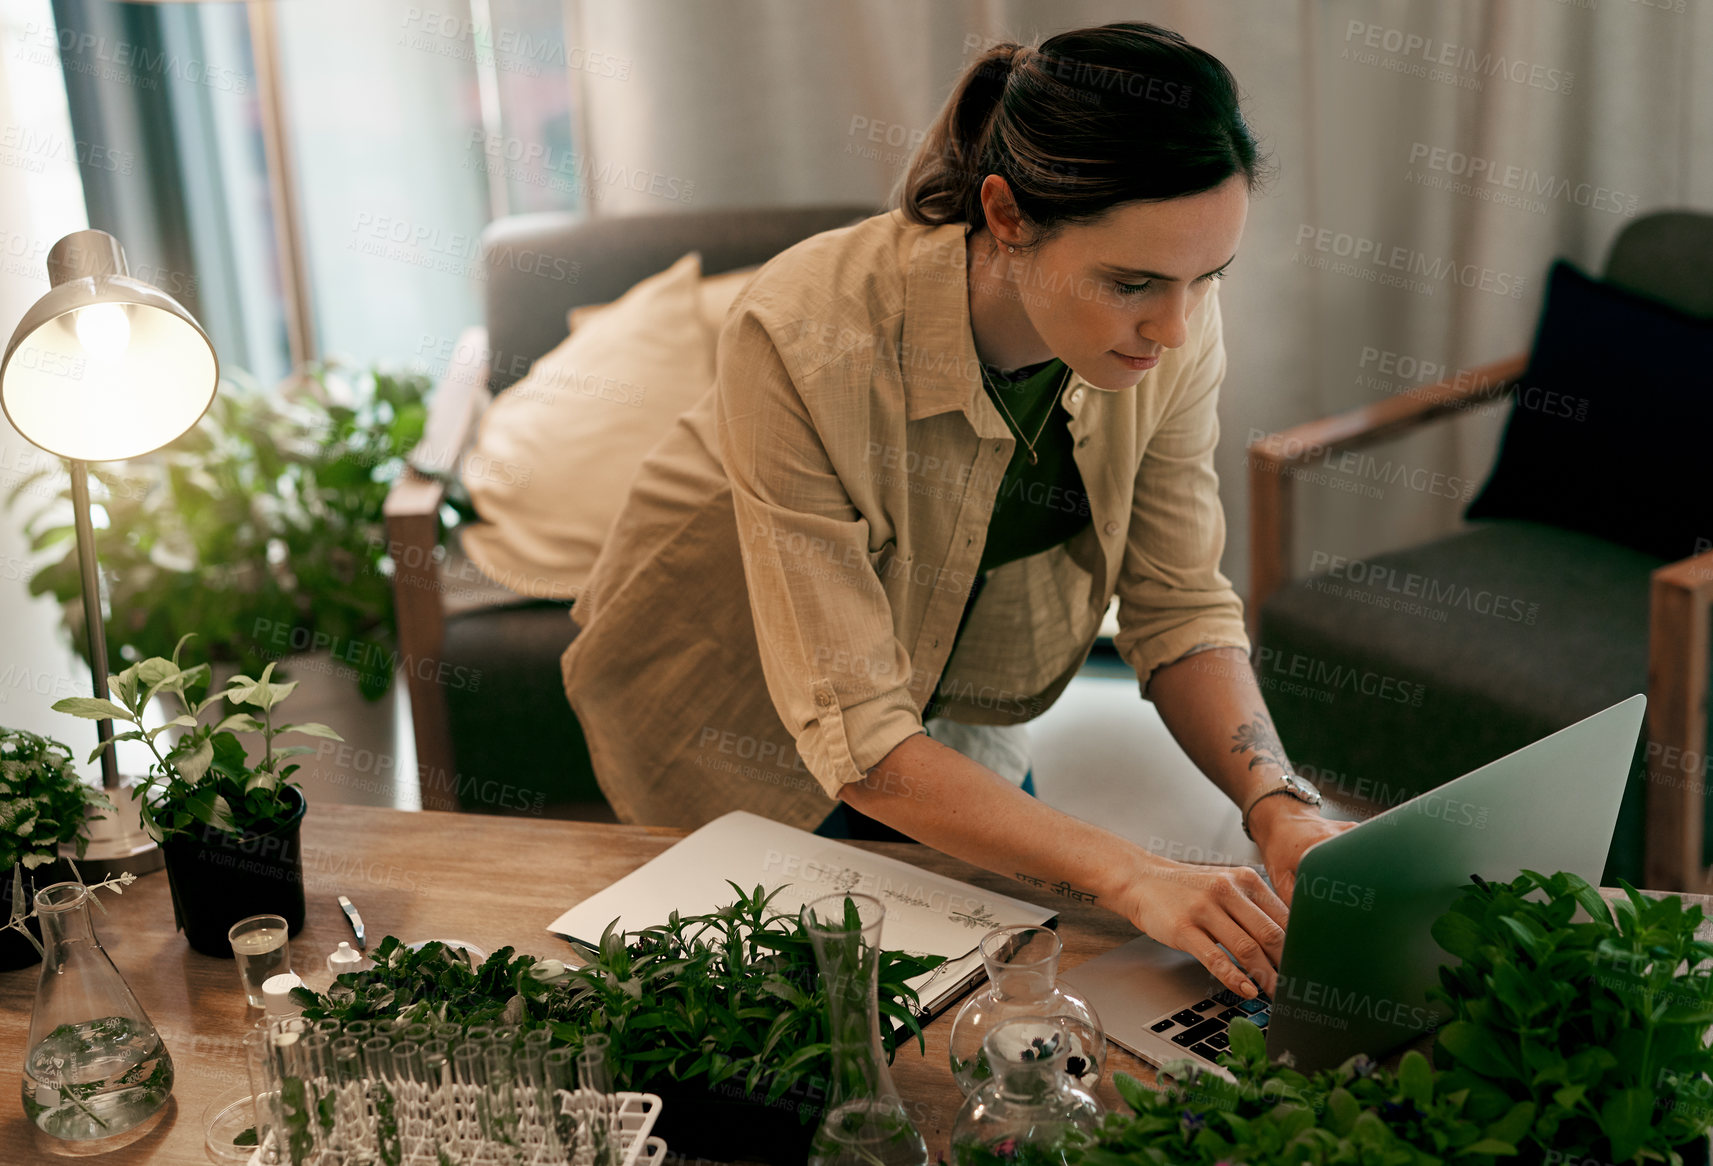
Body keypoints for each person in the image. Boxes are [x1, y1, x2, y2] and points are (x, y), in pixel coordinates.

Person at [561, 21, 1355, 1002]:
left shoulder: (1174, 323)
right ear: (1008, 215)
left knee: (993, 984)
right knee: (787, 1022)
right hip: (725, 693)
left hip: (941, 685)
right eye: (1132, 282)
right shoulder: (804, 329)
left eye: (1207, 279)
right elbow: (858, 736)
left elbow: (1179, 599)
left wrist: (1277, 800)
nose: (1177, 327)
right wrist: (1128, 866)